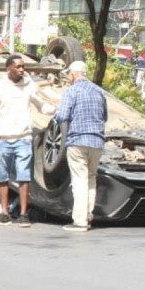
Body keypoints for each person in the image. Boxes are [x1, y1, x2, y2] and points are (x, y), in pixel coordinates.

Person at [0, 53, 53, 227]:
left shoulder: (29, 86)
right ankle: (5, 214)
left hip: (23, 138)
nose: (22, 70)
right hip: (4, 139)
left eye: (23, 67)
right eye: (19, 67)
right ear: (9, 68)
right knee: (2, 177)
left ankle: (23, 214)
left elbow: (40, 104)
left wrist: (55, 110)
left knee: (24, 177)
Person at [54, 61, 107, 232]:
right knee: (91, 179)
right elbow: (104, 116)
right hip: (97, 142)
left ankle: (80, 222)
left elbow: (62, 116)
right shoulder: (99, 91)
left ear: (73, 74)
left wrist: (53, 113)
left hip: (77, 141)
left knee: (79, 181)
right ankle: (88, 215)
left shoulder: (72, 91)